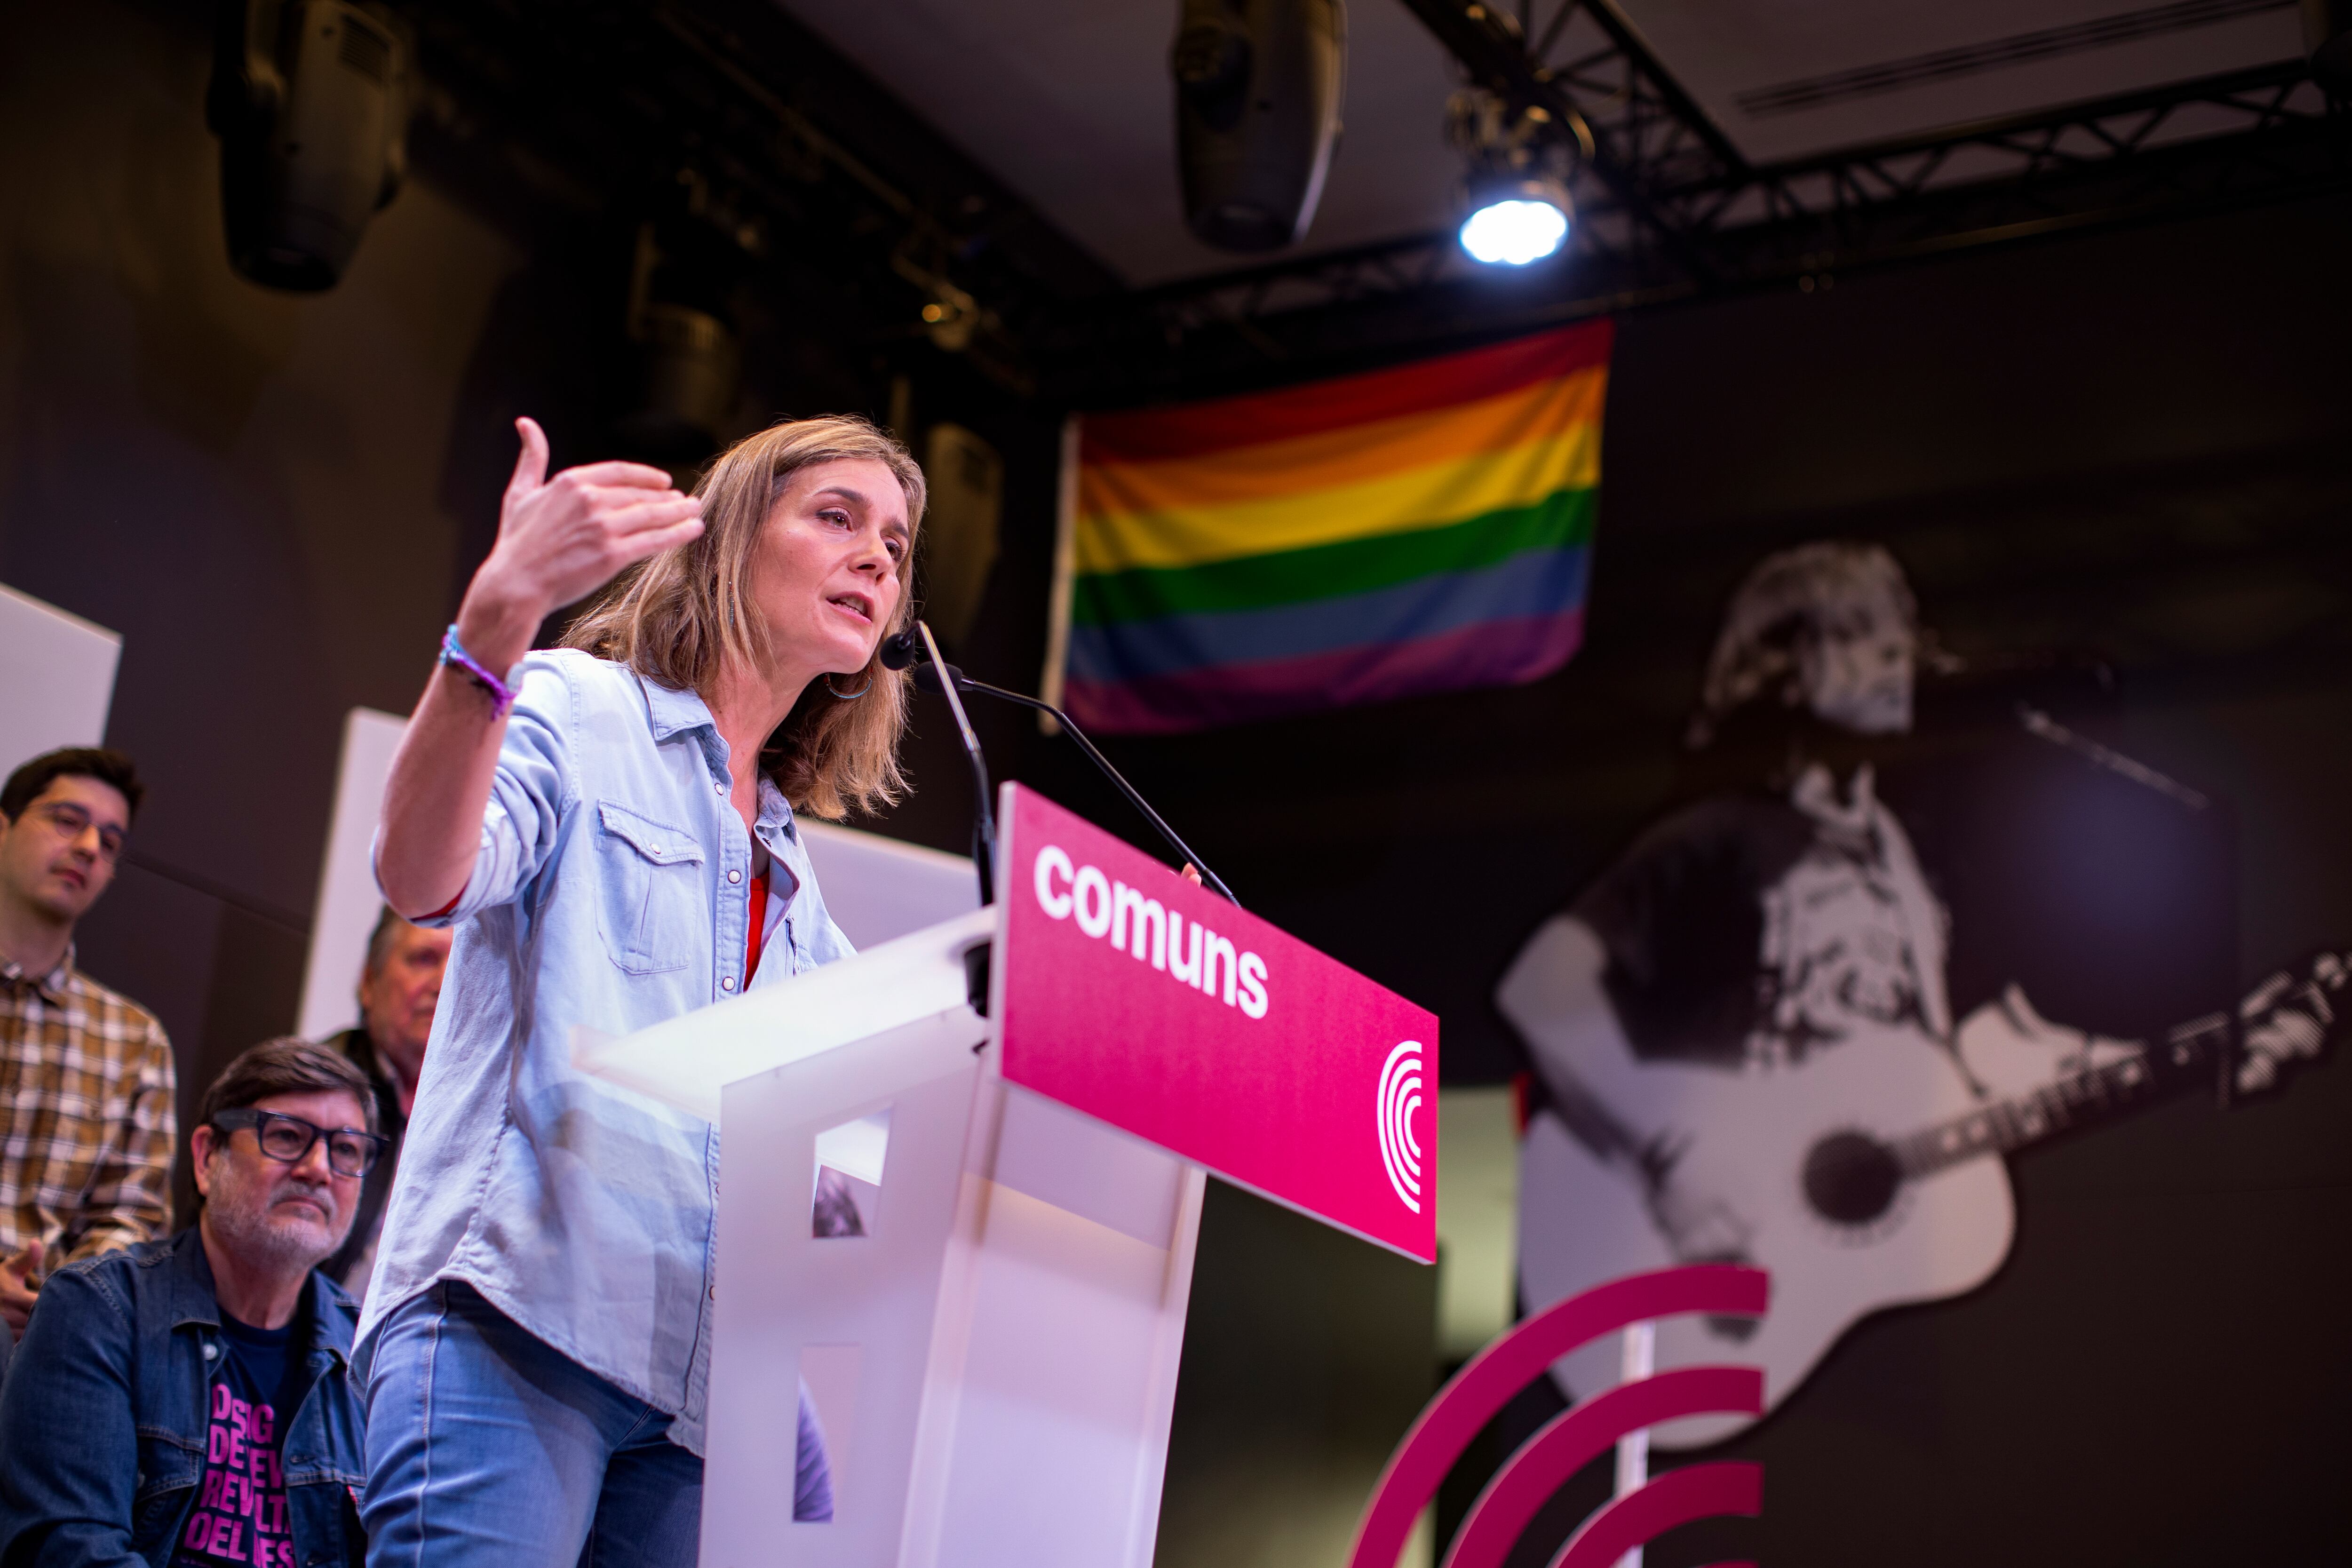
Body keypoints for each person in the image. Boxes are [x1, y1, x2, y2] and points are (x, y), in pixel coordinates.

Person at [359, 414, 920, 1567]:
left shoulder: (806, 901)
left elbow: (839, 1201)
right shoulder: (578, 707)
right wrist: (495, 622)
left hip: (696, 1418)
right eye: (837, 517)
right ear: (728, 539)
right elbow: (418, 877)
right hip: (517, 1330)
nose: (877, 557)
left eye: (897, 546)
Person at [0, 1037, 381, 1568]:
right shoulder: (97, 1310)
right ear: (206, 1157)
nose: (319, 1169)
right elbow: (71, 1550)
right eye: (287, 1136)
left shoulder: (374, 1356)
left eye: (346, 1150)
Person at [0, 747, 174, 1344]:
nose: (89, 848)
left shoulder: (135, 1041)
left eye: (110, 840)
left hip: (40, 1338)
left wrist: (54, 1296)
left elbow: (131, 1220)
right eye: (67, 821)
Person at [319, 907, 452, 1295]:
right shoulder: (312, 1094)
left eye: (460, 965)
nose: (445, 982)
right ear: (368, 981)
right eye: (424, 959)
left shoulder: (489, 1117)